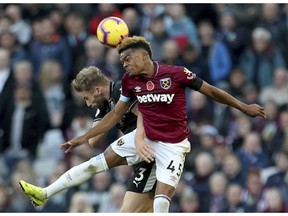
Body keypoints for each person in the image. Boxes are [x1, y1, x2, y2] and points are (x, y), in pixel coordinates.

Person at [55, 36, 266, 212]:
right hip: (146, 144)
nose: (125, 65)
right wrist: (83, 137)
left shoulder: (176, 74)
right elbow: (114, 116)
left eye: (128, 59)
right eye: (122, 61)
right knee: (127, 201)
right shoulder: (129, 82)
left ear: (145, 56)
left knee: (158, 203)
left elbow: (211, 91)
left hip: (173, 145)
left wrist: (243, 107)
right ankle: (47, 192)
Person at [19, 66, 156, 212]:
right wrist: (106, 118)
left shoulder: (121, 90)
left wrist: (121, 122)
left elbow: (146, 113)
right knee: (130, 211)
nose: (88, 104)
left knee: (94, 164)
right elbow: (93, 141)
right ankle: (44, 194)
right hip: (143, 160)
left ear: (97, 90)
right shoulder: (103, 107)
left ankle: (44, 193)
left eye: (86, 97)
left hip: (149, 142)